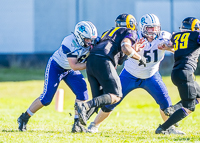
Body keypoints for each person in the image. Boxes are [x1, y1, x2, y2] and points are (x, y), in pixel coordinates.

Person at [86, 14, 184, 134]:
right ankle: (94, 125)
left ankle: (169, 128)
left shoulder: (164, 36)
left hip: (151, 75)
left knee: (166, 103)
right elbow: (124, 47)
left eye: (155, 28)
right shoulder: (134, 36)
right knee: (113, 100)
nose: (153, 31)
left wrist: (168, 47)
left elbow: (177, 47)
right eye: (150, 28)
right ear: (143, 28)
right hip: (129, 74)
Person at [17, 21, 98, 133]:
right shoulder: (69, 42)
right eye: (87, 39)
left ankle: (77, 125)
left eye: (91, 39)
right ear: (79, 37)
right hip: (57, 67)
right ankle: (24, 118)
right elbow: (74, 66)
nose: (90, 42)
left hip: (69, 69)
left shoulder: (91, 43)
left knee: (83, 93)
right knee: (46, 99)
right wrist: (92, 65)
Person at [75, 13, 147, 126]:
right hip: (104, 60)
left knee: (99, 100)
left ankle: (77, 126)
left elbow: (120, 60)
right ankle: (85, 105)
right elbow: (125, 47)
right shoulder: (130, 32)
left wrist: (132, 50)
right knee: (116, 96)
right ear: (131, 24)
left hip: (91, 61)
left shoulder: (107, 32)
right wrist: (139, 57)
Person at [155, 17, 200, 135]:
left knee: (198, 95)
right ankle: (163, 128)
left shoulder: (177, 36)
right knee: (189, 107)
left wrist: (166, 46)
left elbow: (177, 48)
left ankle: (171, 109)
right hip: (186, 73)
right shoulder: (196, 35)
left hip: (177, 72)